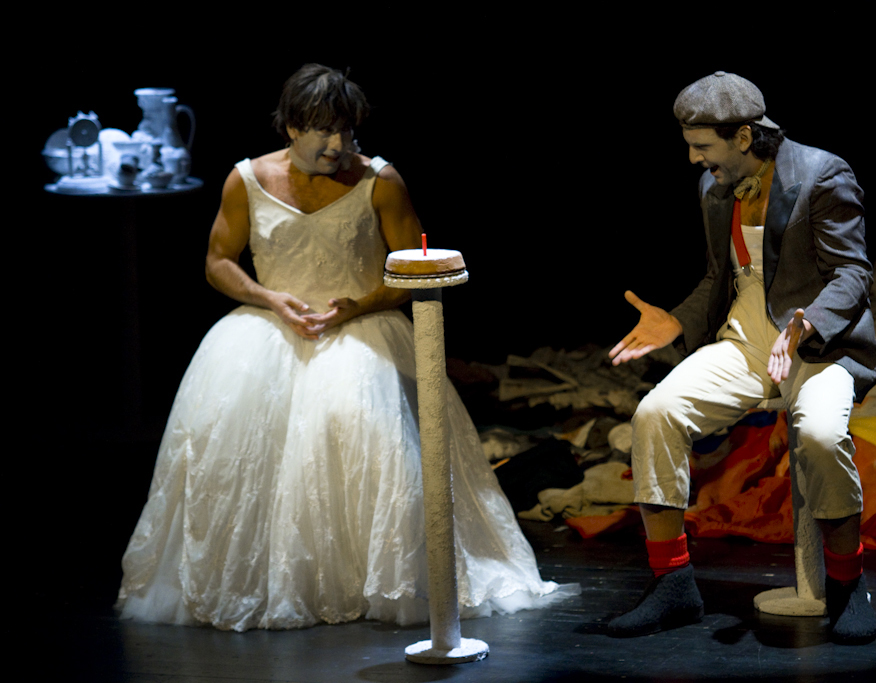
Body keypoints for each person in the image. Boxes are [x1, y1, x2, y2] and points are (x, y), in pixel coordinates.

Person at [117, 64, 570, 631]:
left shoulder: (381, 181)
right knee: (233, 448)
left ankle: (380, 579)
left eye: (346, 131)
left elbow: (412, 271)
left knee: (365, 436)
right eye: (324, 131)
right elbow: (217, 262)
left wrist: (359, 305)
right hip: (270, 329)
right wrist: (268, 298)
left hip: (361, 324)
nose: (337, 145)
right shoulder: (246, 180)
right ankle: (276, 579)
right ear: (291, 127)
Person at [606, 72, 876, 644]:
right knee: (655, 414)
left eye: (702, 146)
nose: (693, 158)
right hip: (747, 340)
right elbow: (720, 278)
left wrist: (807, 321)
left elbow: (853, 273)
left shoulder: (822, 174)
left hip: (815, 343)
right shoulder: (714, 189)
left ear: (745, 136)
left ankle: (848, 586)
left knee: (822, 435)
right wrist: (677, 320)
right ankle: (673, 585)